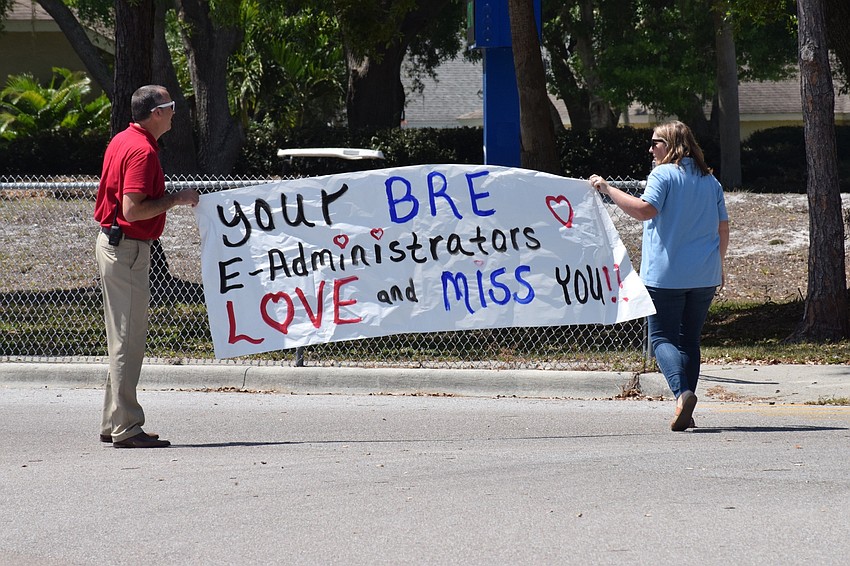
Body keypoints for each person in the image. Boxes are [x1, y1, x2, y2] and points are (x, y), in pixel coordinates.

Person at [589, 120, 729, 431]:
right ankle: (686, 410)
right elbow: (723, 229)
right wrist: (717, 265)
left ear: (672, 144)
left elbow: (644, 210)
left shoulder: (663, 174)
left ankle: (682, 395)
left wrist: (607, 188)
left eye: (656, 142)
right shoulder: (710, 181)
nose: (651, 148)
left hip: (666, 275)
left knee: (661, 339)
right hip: (704, 274)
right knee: (689, 340)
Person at [94, 85, 199, 448]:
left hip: (117, 246)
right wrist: (178, 199)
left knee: (122, 338)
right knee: (128, 339)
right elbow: (133, 209)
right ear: (156, 113)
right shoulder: (141, 150)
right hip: (127, 250)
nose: (174, 112)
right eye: (170, 107)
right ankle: (127, 428)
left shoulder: (124, 139)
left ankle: (114, 422)